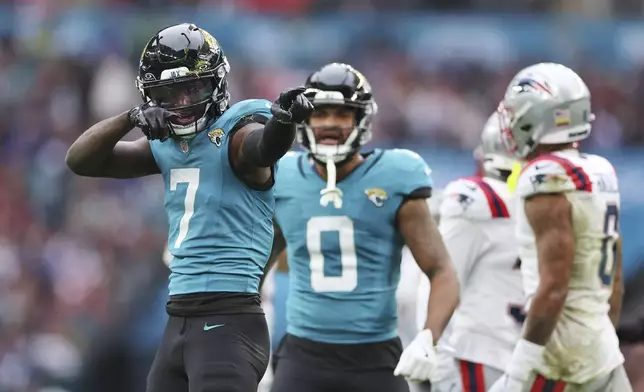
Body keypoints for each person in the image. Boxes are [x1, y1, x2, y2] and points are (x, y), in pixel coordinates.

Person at [65, 23, 313, 392]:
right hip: (178, 319)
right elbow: (80, 160)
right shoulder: (165, 146)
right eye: (169, 93)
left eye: (191, 89)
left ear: (215, 84)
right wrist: (128, 119)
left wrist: (283, 120)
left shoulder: (236, 132)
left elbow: (263, 147)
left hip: (228, 319)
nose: (181, 103)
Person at [265, 62, 460, 392]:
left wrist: (429, 337)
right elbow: (254, 272)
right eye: (319, 113)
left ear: (361, 120)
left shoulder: (395, 175)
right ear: (304, 119)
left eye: (341, 114)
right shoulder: (282, 176)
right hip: (302, 356)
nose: (329, 124)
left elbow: (442, 271)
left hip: (375, 358)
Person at [489, 62, 630, 392]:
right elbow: (616, 283)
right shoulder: (599, 171)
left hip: (559, 359)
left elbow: (553, 288)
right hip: (601, 353)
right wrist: (598, 342)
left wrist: (520, 368)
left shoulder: (545, 177)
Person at [430, 112, 524, 392]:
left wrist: (437, 351)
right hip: (538, 354)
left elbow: (442, 281)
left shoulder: (477, 200)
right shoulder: (564, 199)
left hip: (485, 352)